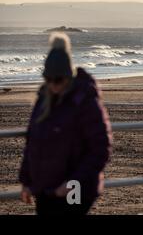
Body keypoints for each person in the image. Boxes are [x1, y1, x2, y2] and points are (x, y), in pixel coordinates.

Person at [19, 32, 113, 215]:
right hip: (45, 188)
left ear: (68, 76)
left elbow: (100, 148)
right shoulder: (43, 100)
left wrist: (73, 183)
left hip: (76, 188)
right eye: (48, 79)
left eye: (58, 79)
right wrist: (26, 182)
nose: (53, 85)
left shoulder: (84, 100)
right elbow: (32, 143)